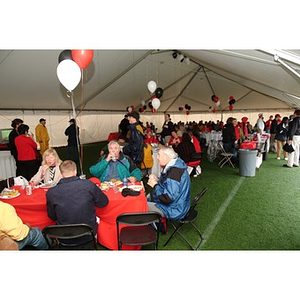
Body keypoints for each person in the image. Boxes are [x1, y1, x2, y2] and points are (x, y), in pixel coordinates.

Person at [46, 160, 109, 236]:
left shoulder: (52, 192)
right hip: (88, 233)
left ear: (61, 174)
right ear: (75, 171)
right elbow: (103, 202)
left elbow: (52, 216)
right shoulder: (88, 185)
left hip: (64, 235)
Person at [147, 146, 191, 220]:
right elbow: (170, 186)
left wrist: (155, 185)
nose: (157, 158)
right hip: (179, 205)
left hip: (175, 210)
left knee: (141, 205)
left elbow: (168, 198)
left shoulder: (174, 172)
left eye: (159, 155)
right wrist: (157, 180)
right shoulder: (176, 166)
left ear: (166, 156)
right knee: (146, 198)